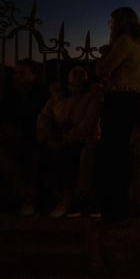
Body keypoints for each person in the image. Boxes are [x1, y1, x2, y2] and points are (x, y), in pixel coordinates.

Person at [96, 6, 140, 222]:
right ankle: (121, 207)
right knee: (122, 153)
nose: (110, 26)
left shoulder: (125, 41)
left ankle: (113, 209)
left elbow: (102, 70)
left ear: (119, 22)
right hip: (134, 102)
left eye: (112, 22)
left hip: (120, 101)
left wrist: (104, 53)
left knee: (112, 154)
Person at [36, 66, 101, 218]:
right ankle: (40, 199)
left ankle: (68, 200)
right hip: (58, 137)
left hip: (80, 140)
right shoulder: (57, 96)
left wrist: (67, 139)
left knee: (71, 155)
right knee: (43, 154)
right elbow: (44, 118)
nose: (78, 79)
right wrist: (48, 136)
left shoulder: (93, 96)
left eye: (82, 75)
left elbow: (88, 123)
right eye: (74, 75)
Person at [0, 59, 49, 215]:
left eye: (22, 73)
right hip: (13, 139)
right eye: (16, 73)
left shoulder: (42, 95)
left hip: (35, 139)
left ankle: (28, 199)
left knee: (29, 159)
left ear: (34, 76)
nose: (16, 77)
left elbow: (43, 121)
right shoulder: (10, 95)